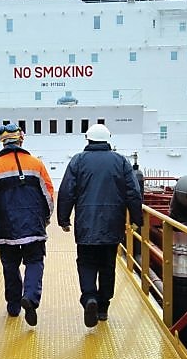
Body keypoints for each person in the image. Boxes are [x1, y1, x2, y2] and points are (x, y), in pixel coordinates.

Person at [57, 124, 143, 328]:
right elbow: (133, 192)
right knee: (108, 266)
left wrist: (64, 218)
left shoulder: (78, 161)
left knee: (86, 263)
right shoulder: (121, 161)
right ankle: (103, 307)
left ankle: (89, 299)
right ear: (108, 139)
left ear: (88, 139)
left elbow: (67, 191)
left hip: (86, 224)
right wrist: (137, 220)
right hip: (113, 224)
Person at [0, 123, 55, 326]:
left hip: (6, 227)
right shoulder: (36, 164)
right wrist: (46, 217)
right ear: (21, 140)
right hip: (33, 226)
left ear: (2, 142)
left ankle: (13, 306)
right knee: (35, 262)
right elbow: (48, 194)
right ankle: (30, 297)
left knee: (10, 266)